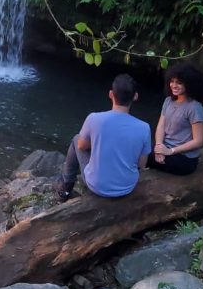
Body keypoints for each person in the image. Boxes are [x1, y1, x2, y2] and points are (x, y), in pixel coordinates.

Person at [55, 73, 152, 201]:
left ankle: (66, 189)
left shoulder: (94, 118)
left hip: (97, 186)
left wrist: (98, 142)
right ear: (135, 97)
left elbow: (81, 146)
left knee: (76, 139)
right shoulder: (144, 127)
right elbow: (142, 164)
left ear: (111, 94)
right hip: (127, 187)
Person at [149, 63, 203, 175]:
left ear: (189, 85)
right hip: (165, 148)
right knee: (139, 145)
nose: (174, 85)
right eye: (172, 81)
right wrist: (158, 146)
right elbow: (161, 126)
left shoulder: (195, 107)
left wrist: (170, 151)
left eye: (179, 83)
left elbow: (198, 141)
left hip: (184, 158)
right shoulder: (168, 101)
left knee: (141, 154)